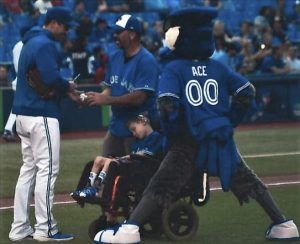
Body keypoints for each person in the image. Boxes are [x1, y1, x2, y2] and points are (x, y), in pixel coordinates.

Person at [94, 7, 299, 243]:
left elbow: (167, 105)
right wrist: (228, 121)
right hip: (219, 139)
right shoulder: (217, 67)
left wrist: (172, 131)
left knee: (161, 184)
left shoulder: (174, 68)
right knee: (248, 181)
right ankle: (283, 224)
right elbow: (247, 92)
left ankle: (129, 230)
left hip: (186, 142)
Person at [8, 7, 80, 242]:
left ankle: (19, 228)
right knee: (47, 172)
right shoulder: (45, 43)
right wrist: (67, 86)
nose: (67, 32)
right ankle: (45, 229)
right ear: (54, 23)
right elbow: (49, 78)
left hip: (22, 114)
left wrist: (61, 85)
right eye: (66, 27)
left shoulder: (30, 41)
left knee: (27, 171)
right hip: (41, 115)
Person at [84, 14, 159, 157]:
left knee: (134, 175)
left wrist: (107, 100)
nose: (115, 35)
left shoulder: (146, 61)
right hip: (116, 127)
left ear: (131, 34)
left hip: (137, 130)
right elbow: (109, 89)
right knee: (106, 170)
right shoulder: (115, 57)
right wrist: (93, 98)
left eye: (119, 32)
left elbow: (139, 98)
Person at [71, 114, 163, 199]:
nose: (134, 134)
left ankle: (97, 188)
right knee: (98, 159)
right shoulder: (137, 142)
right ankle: (89, 188)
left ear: (143, 121)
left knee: (110, 162)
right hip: (132, 165)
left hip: (140, 170)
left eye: (134, 129)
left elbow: (143, 156)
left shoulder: (156, 137)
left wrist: (123, 158)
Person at [2, 24, 33, 142]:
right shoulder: (27, 45)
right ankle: (9, 130)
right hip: (25, 80)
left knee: (20, 107)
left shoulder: (16, 45)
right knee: (20, 107)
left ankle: (9, 130)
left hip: (19, 78)